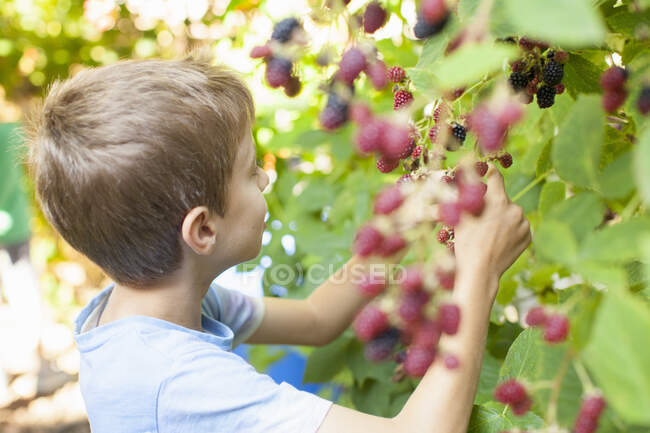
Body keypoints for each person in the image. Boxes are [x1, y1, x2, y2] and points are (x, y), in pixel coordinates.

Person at [23, 47, 530, 433]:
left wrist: (404, 225)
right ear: (202, 229)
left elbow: (317, 319)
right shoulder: (177, 381)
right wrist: (478, 272)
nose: (265, 181)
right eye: (250, 174)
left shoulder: (152, 305)